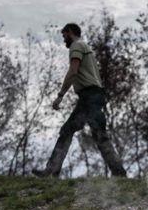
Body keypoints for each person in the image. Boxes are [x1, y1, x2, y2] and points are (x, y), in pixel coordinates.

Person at [32, 23, 127, 177]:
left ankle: (51, 170)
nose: (64, 40)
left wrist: (60, 95)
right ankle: (119, 173)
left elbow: (73, 72)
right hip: (95, 95)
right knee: (98, 134)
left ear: (70, 32)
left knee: (68, 131)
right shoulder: (85, 46)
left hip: (89, 96)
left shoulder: (76, 46)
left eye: (64, 36)